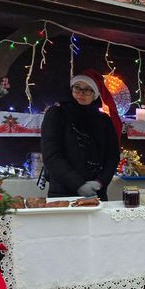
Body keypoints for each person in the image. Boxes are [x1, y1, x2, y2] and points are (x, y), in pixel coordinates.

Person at [41, 69, 121, 200]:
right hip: (63, 193)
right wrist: (78, 184)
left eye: (87, 89)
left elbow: (112, 155)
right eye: (77, 88)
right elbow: (52, 155)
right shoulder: (56, 114)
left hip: (96, 193)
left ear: (95, 94)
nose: (81, 94)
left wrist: (100, 182)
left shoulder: (104, 120)